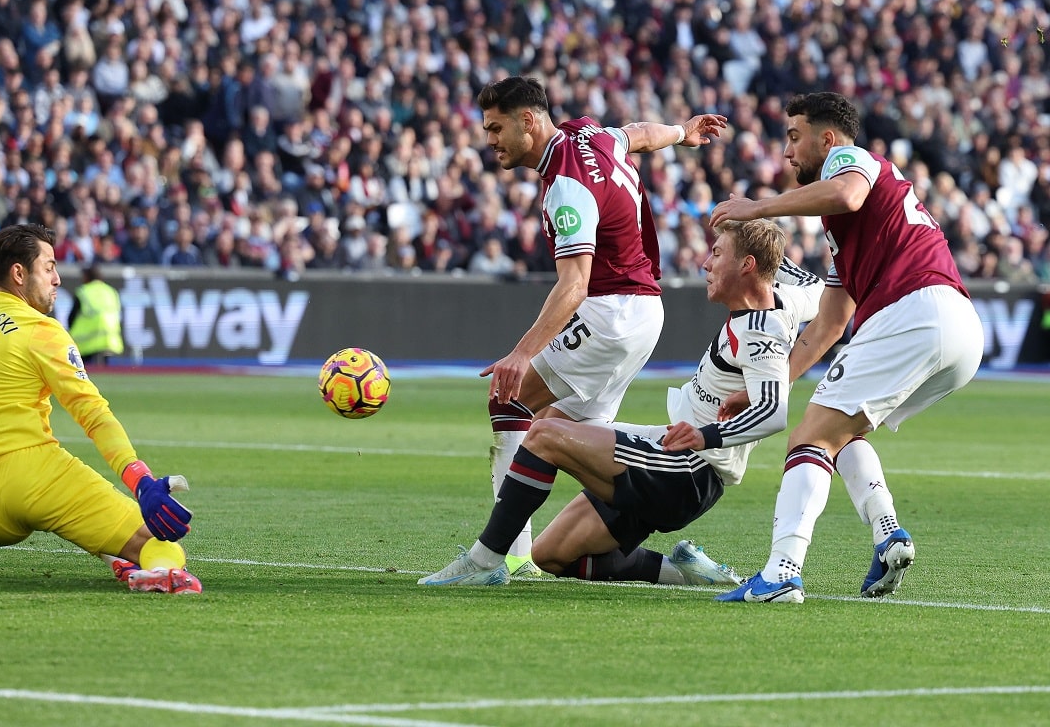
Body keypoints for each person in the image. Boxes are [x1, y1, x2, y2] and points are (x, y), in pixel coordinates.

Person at [419, 219, 823, 587]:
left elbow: (773, 413)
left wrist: (704, 435)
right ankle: (684, 571)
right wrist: (757, 219)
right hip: (672, 458)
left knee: (542, 434)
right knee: (551, 555)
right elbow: (825, 289)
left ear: (747, 265)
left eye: (717, 253)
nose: (706, 263)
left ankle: (485, 560)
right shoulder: (786, 300)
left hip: (685, 471)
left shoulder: (758, 331)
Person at [710, 92, 984, 603]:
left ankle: (781, 572)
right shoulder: (847, 235)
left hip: (914, 311)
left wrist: (759, 209)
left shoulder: (851, 161)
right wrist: (769, 386)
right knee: (838, 429)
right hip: (959, 330)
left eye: (794, 137)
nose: (787, 152)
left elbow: (847, 193)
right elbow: (828, 325)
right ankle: (887, 535)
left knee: (807, 439)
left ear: (827, 138)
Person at [468, 76, 727, 577]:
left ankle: (503, 557)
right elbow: (638, 134)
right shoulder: (591, 135)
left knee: (510, 397)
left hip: (610, 311)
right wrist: (682, 131)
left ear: (529, 120)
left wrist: (522, 352)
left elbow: (574, 284)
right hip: (643, 312)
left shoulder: (566, 184)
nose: (490, 140)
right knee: (581, 438)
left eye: (497, 128)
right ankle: (674, 563)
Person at [0, 224, 201, 594]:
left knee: (95, 521)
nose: (58, 279)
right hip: (30, 480)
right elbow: (91, 411)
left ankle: (120, 562)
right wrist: (141, 481)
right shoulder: (38, 328)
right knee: (161, 545)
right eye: (49, 267)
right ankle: (152, 571)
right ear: (19, 273)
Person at [68, 263, 124, 366]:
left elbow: (71, 318)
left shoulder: (83, 292)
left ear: (87, 277)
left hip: (87, 342)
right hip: (110, 341)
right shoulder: (111, 291)